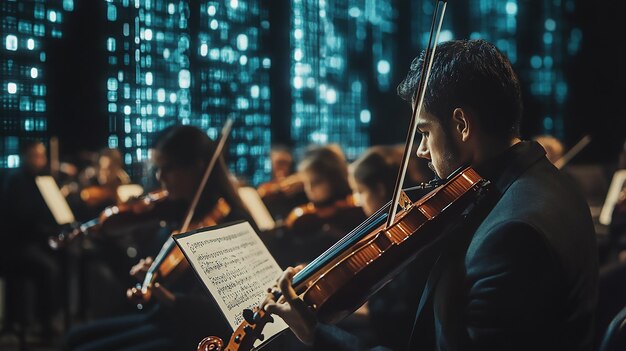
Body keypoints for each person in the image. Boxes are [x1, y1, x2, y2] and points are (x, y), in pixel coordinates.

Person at [262, 39, 598, 351]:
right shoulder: (550, 180)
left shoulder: (511, 235)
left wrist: (317, 334)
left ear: (462, 124)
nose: (421, 150)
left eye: (425, 131)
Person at [65, 125, 254, 351]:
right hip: (165, 318)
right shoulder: (179, 210)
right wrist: (152, 270)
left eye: (168, 168)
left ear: (197, 167)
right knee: (75, 338)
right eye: (158, 168)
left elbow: (229, 309)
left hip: (194, 333)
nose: (159, 177)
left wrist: (171, 299)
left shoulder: (230, 219)